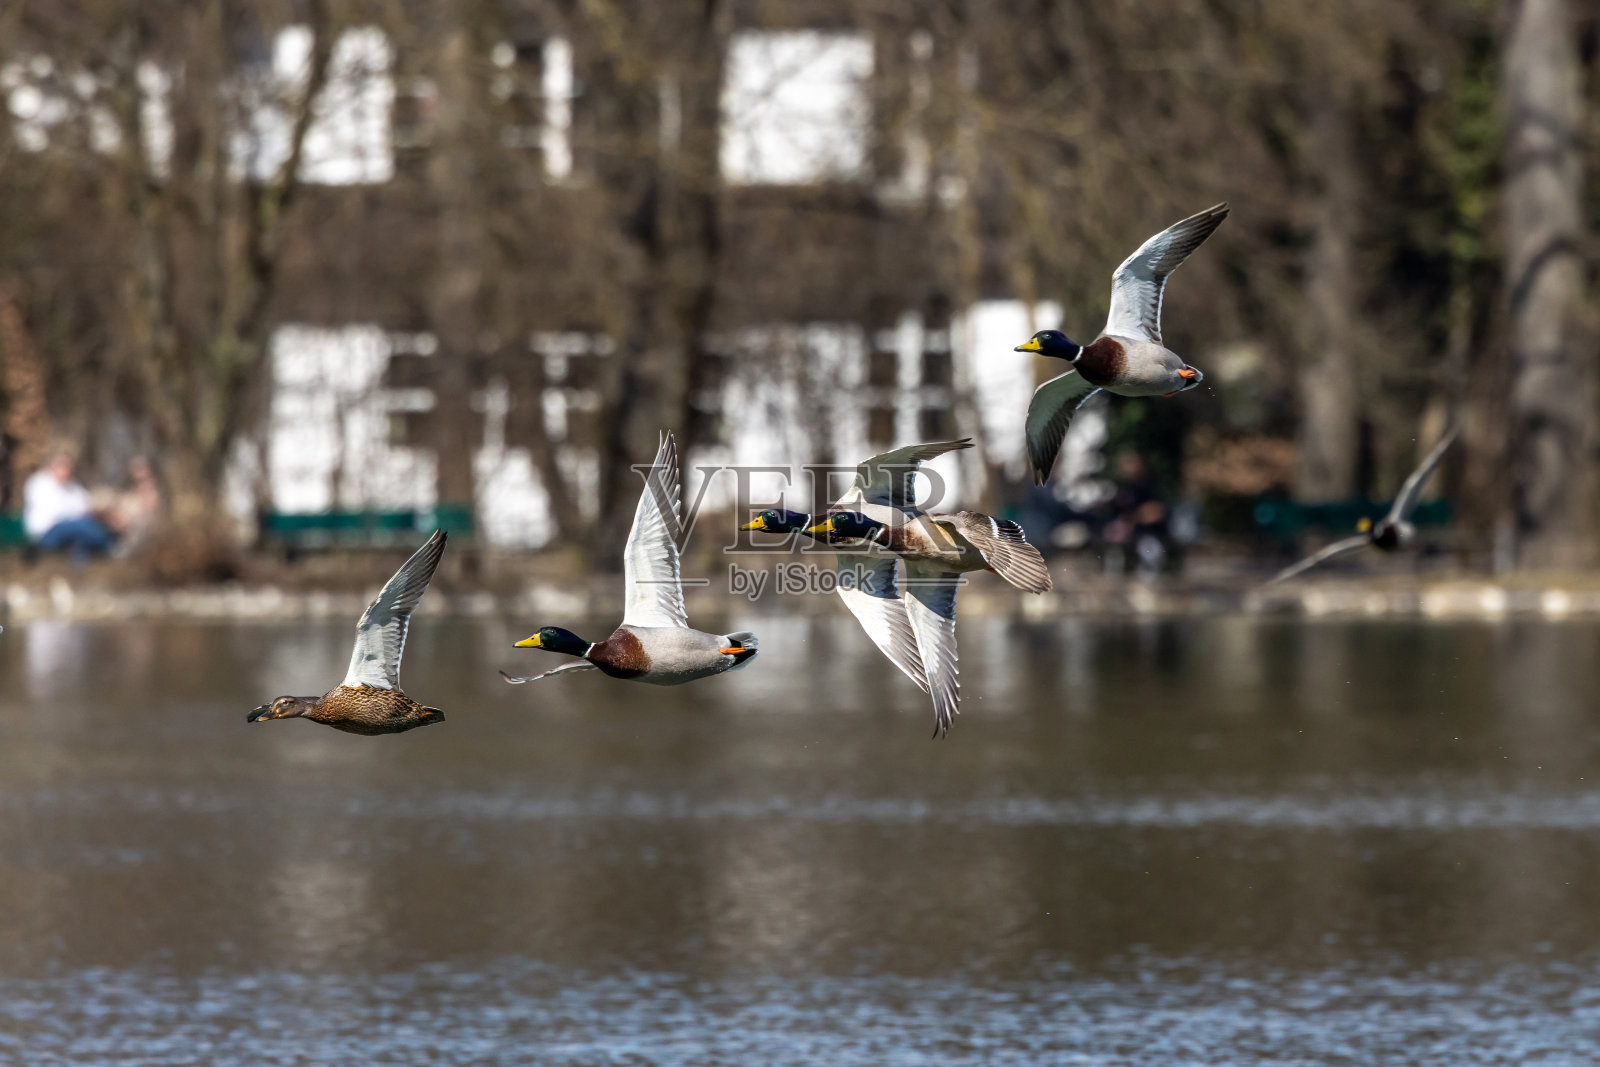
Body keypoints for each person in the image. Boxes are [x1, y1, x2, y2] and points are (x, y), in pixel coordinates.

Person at [23, 448, 114, 564]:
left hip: (71, 530)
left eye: (69, 467)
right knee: (80, 525)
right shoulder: (40, 483)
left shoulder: (74, 487)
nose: (67, 471)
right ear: (53, 466)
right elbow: (58, 512)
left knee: (84, 536)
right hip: (45, 533)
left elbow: (87, 506)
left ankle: (80, 570)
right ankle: (109, 547)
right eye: (63, 466)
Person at [108, 455, 162, 551]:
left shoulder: (154, 494)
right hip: (122, 538)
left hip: (143, 538)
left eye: (140, 467)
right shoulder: (127, 494)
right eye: (135, 468)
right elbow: (116, 517)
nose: (137, 471)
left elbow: (151, 517)